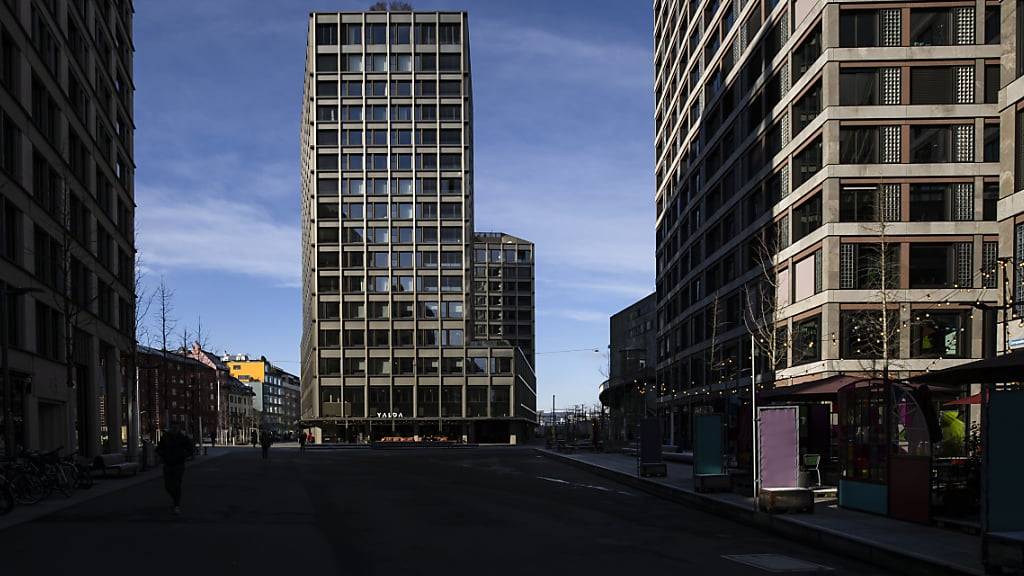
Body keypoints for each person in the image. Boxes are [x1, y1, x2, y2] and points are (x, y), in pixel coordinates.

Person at [155, 423, 194, 515]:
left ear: (178, 428)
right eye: (173, 427)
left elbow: (190, 449)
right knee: (168, 485)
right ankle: (175, 499)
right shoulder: (166, 437)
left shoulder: (182, 438)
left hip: (178, 464)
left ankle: (176, 504)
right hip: (168, 464)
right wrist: (163, 455)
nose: (174, 429)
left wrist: (183, 456)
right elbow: (159, 448)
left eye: (176, 427)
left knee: (177, 484)